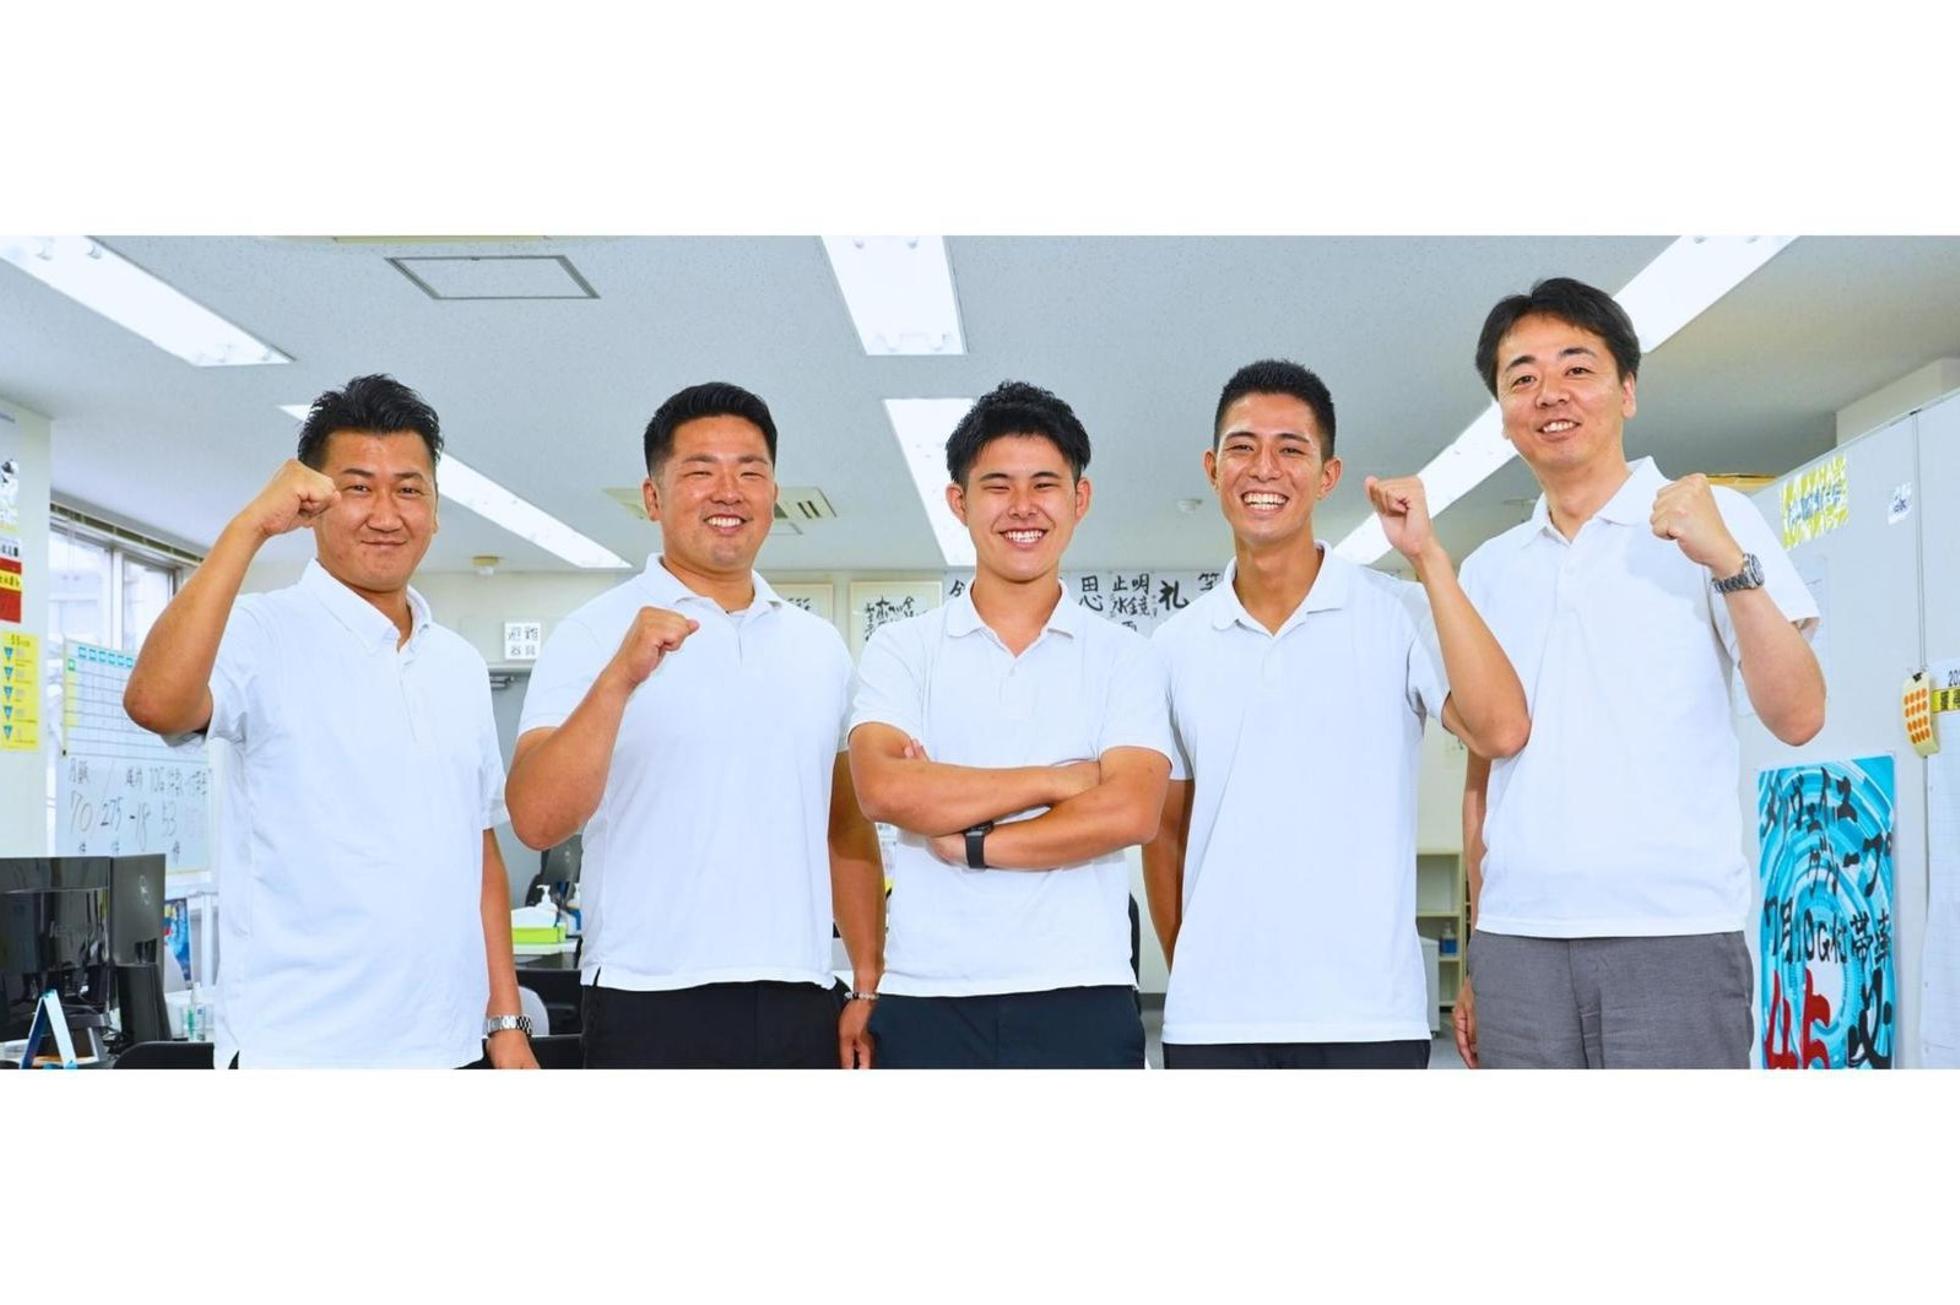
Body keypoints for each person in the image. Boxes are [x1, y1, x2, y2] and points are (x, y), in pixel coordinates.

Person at [1453, 277, 1825, 1069]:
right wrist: (1481, 946)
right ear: (1503, 414)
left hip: (1673, 933)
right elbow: (1483, 776)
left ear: (1627, 391)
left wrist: (1725, 560)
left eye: (1576, 367)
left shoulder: (1716, 520)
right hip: (1519, 942)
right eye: (1522, 377)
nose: (1550, 393)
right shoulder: (1486, 570)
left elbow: (1799, 714)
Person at [123, 374, 535, 1069]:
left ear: (436, 510)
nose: (386, 514)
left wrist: (506, 1021)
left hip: (448, 1047)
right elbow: (154, 703)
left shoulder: (458, 664)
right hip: (301, 1051)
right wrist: (251, 525)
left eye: (409, 489)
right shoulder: (261, 632)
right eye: (358, 487)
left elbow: (479, 852)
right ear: (311, 503)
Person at [1141, 359, 1529, 1069]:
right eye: (1242, 446)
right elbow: (1164, 832)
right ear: (1212, 467)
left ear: (1327, 475)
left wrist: (1428, 557)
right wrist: (1195, 969)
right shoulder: (1173, 645)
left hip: (1368, 1013)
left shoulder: (1397, 612)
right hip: (1214, 1021)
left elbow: (1500, 730)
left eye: (1291, 448)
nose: (1265, 468)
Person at [505, 382, 885, 1069]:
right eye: (700, 471)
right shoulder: (593, 633)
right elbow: (535, 820)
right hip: (646, 992)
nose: (728, 491)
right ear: (652, 498)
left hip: (798, 991)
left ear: (774, 493)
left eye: (750, 471)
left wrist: (866, 978)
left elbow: (845, 826)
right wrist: (618, 680)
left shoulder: (820, 646)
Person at [847, 381, 1174, 1069]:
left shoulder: (1125, 655)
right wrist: (1060, 781)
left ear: (1080, 499)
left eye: (1044, 484)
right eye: (997, 486)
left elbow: (1132, 811)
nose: (1023, 507)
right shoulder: (903, 648)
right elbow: (883, 789)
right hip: (928, 993)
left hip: (1081, 991)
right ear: (959, 502)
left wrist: (970, 842)